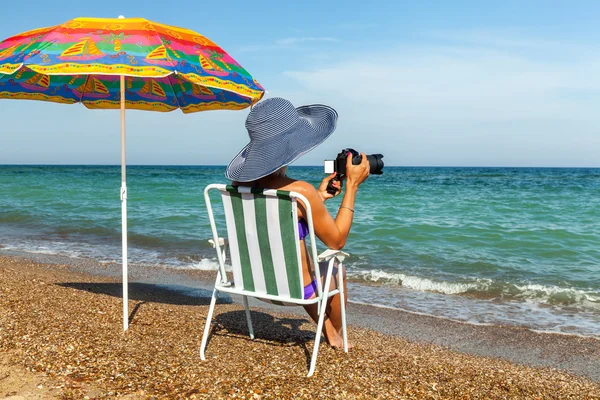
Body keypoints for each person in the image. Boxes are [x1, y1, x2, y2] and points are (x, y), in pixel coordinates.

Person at [225, 97, 370, 349]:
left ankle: (328, 330)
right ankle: (335, 332)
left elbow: (279, 215)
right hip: (295, 290)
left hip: (251, 284)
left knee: (299, 257)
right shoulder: (301, 192)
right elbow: (337, 241)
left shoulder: (240, 188)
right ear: (292, 146)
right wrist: (352, 187)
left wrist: (318, 198)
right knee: (335, 268)